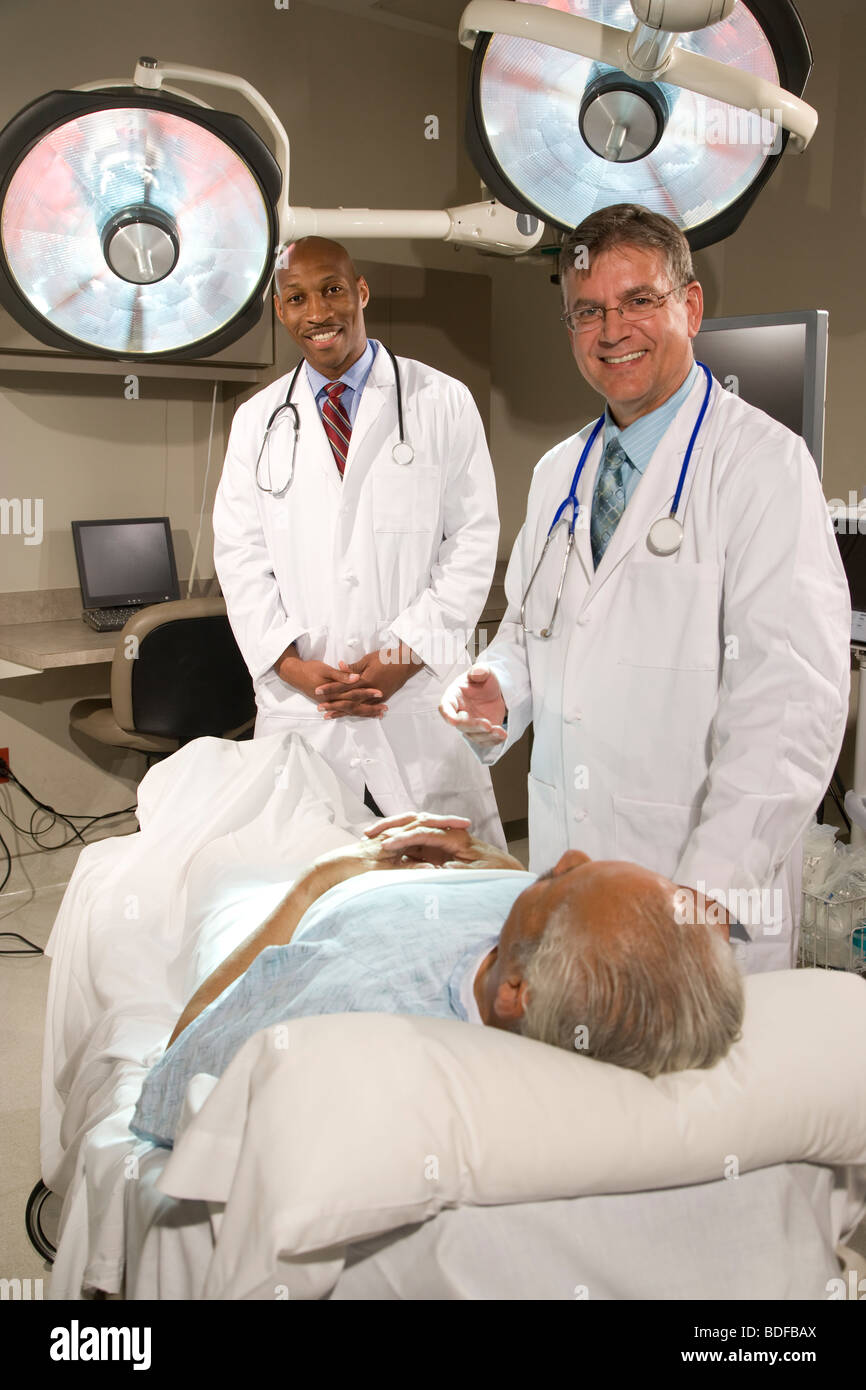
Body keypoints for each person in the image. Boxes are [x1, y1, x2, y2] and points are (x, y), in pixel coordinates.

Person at [438, 203, 851, 971]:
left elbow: (789, 706)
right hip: (568, 872)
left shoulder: (763, 465)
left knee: (697, 1087)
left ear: (689, 308)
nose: (610, 329)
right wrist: (495, 688)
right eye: (586, 311)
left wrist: (706, 897)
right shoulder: (558, 473)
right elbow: (530, 633)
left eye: (639, 301)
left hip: (694, 895)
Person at [131, 815, 744, 1147]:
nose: (567, 858)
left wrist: (317, 882)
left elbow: (174, 1078)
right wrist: (504, 872)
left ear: (515, 991)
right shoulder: (559, 967)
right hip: (415, 854)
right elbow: (545, 925)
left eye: (560, 883)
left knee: (198, 833)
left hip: (306, 885)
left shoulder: (352, 1009)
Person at [212, 236, 503, 843]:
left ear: (361, 292)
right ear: (281, 311)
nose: (316, 312)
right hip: (307, 708)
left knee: (441, 893)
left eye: (331, 290)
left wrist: (403, 655)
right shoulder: (255, 420)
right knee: (313, 890)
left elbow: (472, 542)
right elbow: (240, 556)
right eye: (295, 298)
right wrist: (290, 665)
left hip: (416, 698)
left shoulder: (442, 400)